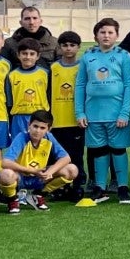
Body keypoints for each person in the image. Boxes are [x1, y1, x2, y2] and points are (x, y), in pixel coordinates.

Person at [74, 18, 130, 202]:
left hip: (117, 115)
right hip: (93, 114)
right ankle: (100, 187)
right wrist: (80, 112)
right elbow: (80, 85)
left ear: (117, 35)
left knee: (118, 150)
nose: (106, 35)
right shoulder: (88, 57)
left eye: (110, 32)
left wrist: (125, 112)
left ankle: (123, 187)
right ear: (96, 36)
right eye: (102, 32)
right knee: (98, 151)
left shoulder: (124, 56)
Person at [0, 110, 77, 213]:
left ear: (49, 129)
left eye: (42, 128)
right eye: (35, 126)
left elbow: (66, 158)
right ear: (29, 125)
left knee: (72, 170)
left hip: (40, 178)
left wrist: (50, 172)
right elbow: (5, 162)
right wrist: (30, 170)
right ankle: (13, 199)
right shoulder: (21, 137)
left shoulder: (49, 138)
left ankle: (39, 194)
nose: (38, 131)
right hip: (20, 178)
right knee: (5, 174)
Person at [49, 31, 87, 203]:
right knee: (57, 156)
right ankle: (60, 186)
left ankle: (78, 186)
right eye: (65, 45)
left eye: (72, 45)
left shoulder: (83, 67)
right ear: (60, 47)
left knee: (76, 155)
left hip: (76, 120)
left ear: (78, 47)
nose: (68, 48)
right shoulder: (53, 68)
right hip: (57, 121)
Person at [6, 42, 50, 146]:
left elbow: (49, 97)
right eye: (24, 53)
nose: (28, 57)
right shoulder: (12, 75)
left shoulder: (45, 73)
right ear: (18, 55)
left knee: (40, 149)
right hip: (19, 118)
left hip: (41, 118)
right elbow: (9, 102)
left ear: (38, 56)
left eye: (32, 54)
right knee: (19, 149)